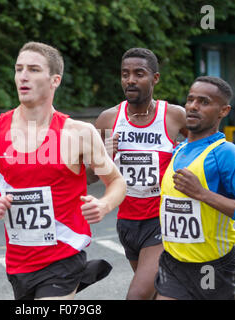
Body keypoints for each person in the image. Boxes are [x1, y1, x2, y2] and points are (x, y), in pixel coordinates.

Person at [0, 42, 126, 300]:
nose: (23, 76)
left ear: (54, 80)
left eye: (34, 69)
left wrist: (104, 205)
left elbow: (116, 181)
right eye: (19, 69)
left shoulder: (79, 133)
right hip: (18, 261)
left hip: (64, 256)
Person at [155, 76, 235, 300]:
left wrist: (202, 194)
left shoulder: (227, 154)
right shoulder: (178, 150)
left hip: (213, 269)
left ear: (223, 111)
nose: (193, 106)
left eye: (204, 102)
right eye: (190, 100)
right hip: (174, 264)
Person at [87, 48, 187, 300]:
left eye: (139, 74)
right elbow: (85, 178)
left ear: (155, 78)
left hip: (162, 220)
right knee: (155, 292)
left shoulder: (174, 116)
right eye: (125, 74)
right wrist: (101, 158)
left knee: (137, 295)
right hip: (127, 222)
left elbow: (208, 150)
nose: (130, 80)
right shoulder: (108, 119)